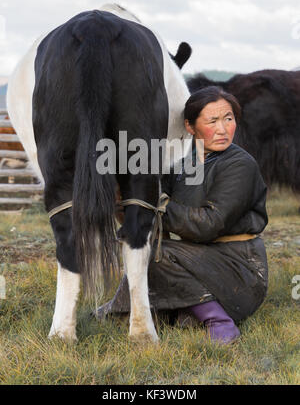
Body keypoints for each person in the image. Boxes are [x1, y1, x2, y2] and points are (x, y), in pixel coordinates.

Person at [96, 86, 269, 344]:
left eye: (228, 119)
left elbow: (208, 225)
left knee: (155, 254)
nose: (223, 129)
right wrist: (125, 197)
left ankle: (217, 319)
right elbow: (149, 210)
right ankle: (182, 313)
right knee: (141, 247)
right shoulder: (182, 161)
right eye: (212, 121)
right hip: (199, 261)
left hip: (241, 271)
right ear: (190, 127)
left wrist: (157, 204)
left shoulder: (240, 165)